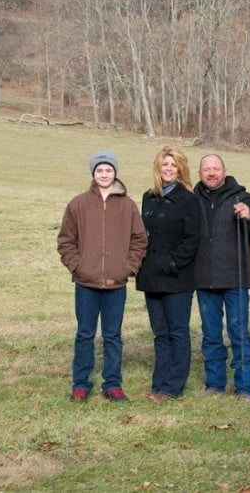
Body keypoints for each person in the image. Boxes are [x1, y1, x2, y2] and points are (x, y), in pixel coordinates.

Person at [57, 150, 147, 402]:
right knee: (85, 334)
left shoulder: (128, 206)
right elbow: (66, 241)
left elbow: (139, 239)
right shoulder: (78, 204)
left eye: (108, 170)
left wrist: (128, 267)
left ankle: (113, 383)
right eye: (99, 170)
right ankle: (81, 383)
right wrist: (78, 266)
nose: (104, 174)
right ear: (93, 174)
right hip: (86, 283)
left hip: (116, 284)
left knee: (113, 336)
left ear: (115, 173)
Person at [194, 154, 250, 399]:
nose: (211, 173)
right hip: (205, 279)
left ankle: (244, 388)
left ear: (225, 171)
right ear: (200, 173)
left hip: (235, 279)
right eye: (207, 169)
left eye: (216, 168)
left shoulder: (242, 197)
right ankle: (215, 384)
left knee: (238, 332)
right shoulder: (192, 199)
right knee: (211, 335)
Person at [136, 147, 200, 402]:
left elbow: (192, 238)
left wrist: (173, 263)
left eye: (174, 165)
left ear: (181, 169)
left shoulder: (189, 200)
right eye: (165, 165)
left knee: (178, 332)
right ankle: (158, 383)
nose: (169, 169)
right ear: (158, 168)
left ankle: (173, 386)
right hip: (151, 276)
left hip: (177, 278)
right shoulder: (148, 197)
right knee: (160, 333)